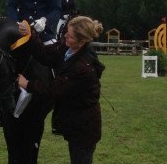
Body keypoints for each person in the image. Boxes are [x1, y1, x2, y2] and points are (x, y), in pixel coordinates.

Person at [0, 0, 61, 163]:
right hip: (20, 33)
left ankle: (59, 115)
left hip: (44, 33)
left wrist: (45, 20)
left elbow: (56, 8)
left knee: (60, 63)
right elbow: (11, 4)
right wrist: (17, 24)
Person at [18, 16, 105, 164]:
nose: (65, 36)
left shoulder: (82, 67)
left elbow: (53, 89)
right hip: (75, 123)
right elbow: (46, 54)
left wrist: (27, 84)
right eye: (66, 33)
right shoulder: (69, 47)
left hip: (84, 128)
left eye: (70, 36)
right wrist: (30, 35)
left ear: (82, 41)